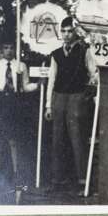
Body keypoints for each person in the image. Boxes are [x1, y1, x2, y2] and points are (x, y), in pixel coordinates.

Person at [45, 17, 97, 193]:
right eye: (64, 31)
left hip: (77, 97)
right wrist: (48, 105)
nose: (66, 35)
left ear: (75, 32)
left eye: (69, 31)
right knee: (57, 139)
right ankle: (57, 180)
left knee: (77, 139)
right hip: (59, 98)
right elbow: (52, 79)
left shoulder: (84, 51)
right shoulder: (56, 54)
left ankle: (83, 181)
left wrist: (89, 91)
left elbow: (94, 73)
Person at [0, 38, 38, 187]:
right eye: (6, 47)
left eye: (11, 48)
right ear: (2, 50)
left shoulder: (21, 66)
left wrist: (38, 85)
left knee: (13, 139)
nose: (9, 50)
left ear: (15, 50)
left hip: (13, 103)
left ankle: (16, 172)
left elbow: (25, 86)